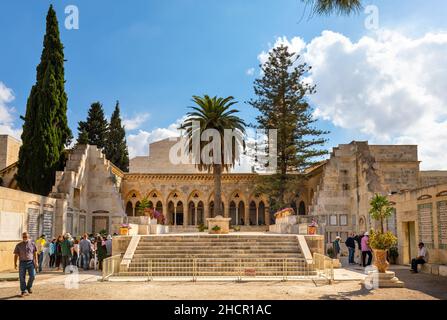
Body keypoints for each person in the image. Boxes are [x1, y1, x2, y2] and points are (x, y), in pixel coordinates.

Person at [13, 232, 38, 297]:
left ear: (28, 237)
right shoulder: (18, 245)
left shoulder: (32, 244)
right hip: (22, 263)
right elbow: (16, 255)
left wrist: (36, 262)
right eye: (23, 237)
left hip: (31, 262)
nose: (24, 238)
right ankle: (23, 291)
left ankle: (28, 287)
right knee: (22, 277)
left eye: (26, 237)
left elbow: (35, 253)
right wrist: (15, 263)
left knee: (33, 276)